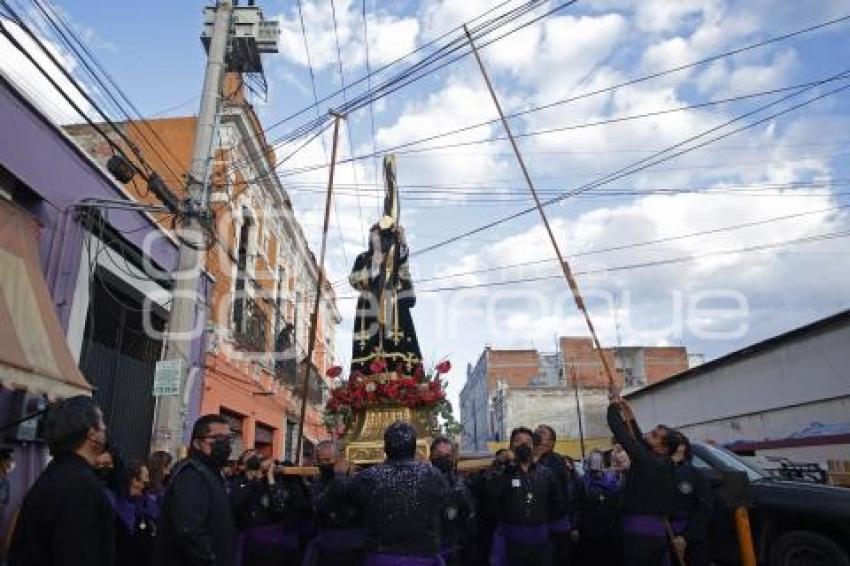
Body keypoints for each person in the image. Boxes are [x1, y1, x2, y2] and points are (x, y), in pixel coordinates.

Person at [9, 395, 115, 566]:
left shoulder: (53, 475)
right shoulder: (82, 487)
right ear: (91, 434)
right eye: (101, 422)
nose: (105, 428)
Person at [352, 420, 449, 564]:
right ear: (415, 448)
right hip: (421, 556)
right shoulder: (433, 475)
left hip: (381, 557)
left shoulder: (366, 478)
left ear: (385, 448)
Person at [154, 414, 237, 566]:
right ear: (197, 443)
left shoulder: (212, 473)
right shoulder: (191, 474)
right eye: (217, 439)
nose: (224, 444)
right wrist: (210, 560)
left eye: (227, 439)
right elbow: (189, 530)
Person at [607, 397, 679, 566]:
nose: (649, 434)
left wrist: (612, 405)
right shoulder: (663, 462)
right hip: (655, 535)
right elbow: (641, 442)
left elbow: (622, 434)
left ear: (664, 448)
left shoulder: (649, 462)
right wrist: (630, 417)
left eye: (654, 435)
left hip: (640, 537)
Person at [486, 427, 565, 566]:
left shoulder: (546, 474)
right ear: (511, 446)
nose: (523, 444)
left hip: (541, 543)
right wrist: (503, 464)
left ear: (533, 446)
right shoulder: (502, 473)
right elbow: (490, 497)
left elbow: (557, 504)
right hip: (512, 544)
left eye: (528, 441)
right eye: (518, 441)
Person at [231, 456, 310, 566]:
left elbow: (280, 506)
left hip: (272, 542)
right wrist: (253, 480)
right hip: (251, 540)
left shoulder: (275, 484)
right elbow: (236, 504)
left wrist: (270, 478)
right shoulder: (243, 483)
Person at [303, 441, 365, 566]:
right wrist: (339, 477)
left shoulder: (358, 477)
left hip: (355, 547)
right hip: (328, 547)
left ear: (339, 459)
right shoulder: (319, 483)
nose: (324, 464)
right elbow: (321, 506)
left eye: (328, 460)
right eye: (321, 461)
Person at [534, 424, 580, 563]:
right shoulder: (529, 459)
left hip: (557, 522)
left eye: (541, 433)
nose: (537, 435)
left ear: (551, 443)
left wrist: (574, 524)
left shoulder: (558, 461)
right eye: (536, 432)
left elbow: (565, 492)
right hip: (537, 524)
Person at [430, 436, 476, 566]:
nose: (443, 458)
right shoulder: (422, 484)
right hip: (428, 552)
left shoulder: (461, 487)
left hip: (454, 552)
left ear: (453, 459)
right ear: (431, 456)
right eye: (439, 454)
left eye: (447, 455)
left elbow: (469, 524)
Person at [670, 434, 713, 566]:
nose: (677, 447)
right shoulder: (658, 473)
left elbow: (704, 508)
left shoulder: (695, 475)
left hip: (691, 540)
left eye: (680, 443)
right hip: (664, 536)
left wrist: (685, 537)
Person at [577, 450, 623, 566]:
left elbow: (618, 503)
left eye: (598, 460)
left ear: (603, 462)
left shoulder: (613, 481)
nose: (596, 464)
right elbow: (577, 505)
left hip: (611, 528)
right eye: (593, 460)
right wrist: (575, 526)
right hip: (590, 530)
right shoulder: (583, 481)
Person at [110, 460, 159, 566]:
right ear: (130, 479)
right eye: (140, 479)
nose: (145, 484)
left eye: (146, 481)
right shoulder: (113, 503)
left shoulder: (147, 503)